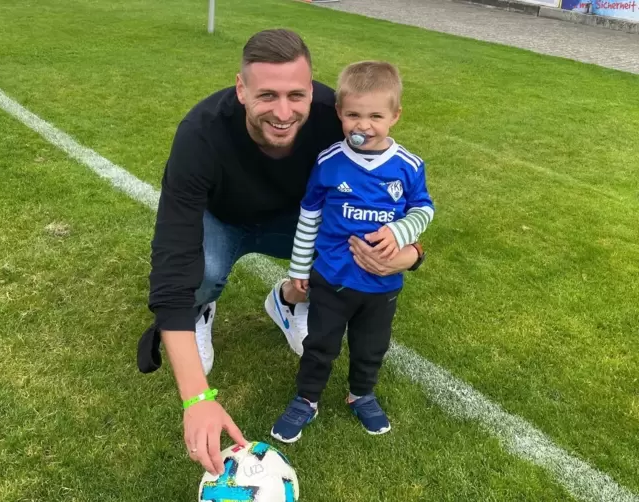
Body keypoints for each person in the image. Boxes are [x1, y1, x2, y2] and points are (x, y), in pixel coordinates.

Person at [137, 30, 426, 475]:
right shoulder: (200, 133)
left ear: (314, 92)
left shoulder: (342, 120)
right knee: (201, 272)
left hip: (295, 220)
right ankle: (202, 312)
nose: (284, 111)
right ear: (241, 89)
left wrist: (411, 254)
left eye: (297, 95)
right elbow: (172, 255)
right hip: (224, 218)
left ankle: (289, 301)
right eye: (266, 95)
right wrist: (197, 397)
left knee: (333, 252)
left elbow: (393, 203)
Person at [269, 60, 434, 443]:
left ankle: (362, 393)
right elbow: (309, 215)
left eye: (375, 115)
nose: (364, 125)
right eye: (354, 115)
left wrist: (398, 230)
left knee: (371, 346)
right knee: (320, 343)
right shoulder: (329, 162)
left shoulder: (407, 166)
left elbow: (423, 209)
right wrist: (299, 269)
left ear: (395, 116)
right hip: (332, 278)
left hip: (382, 285)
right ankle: (306, 399)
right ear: (340, 113)